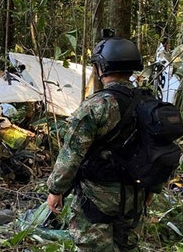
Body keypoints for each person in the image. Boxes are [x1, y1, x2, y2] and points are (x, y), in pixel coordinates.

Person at [45, 37, 156, 251]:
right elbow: (158, 148)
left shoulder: (97, 105)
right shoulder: (148, 103)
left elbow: (72, 153)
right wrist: (152, 188)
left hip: (96, 198)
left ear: (101, 67)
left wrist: (55, 189)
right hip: (135, 196)